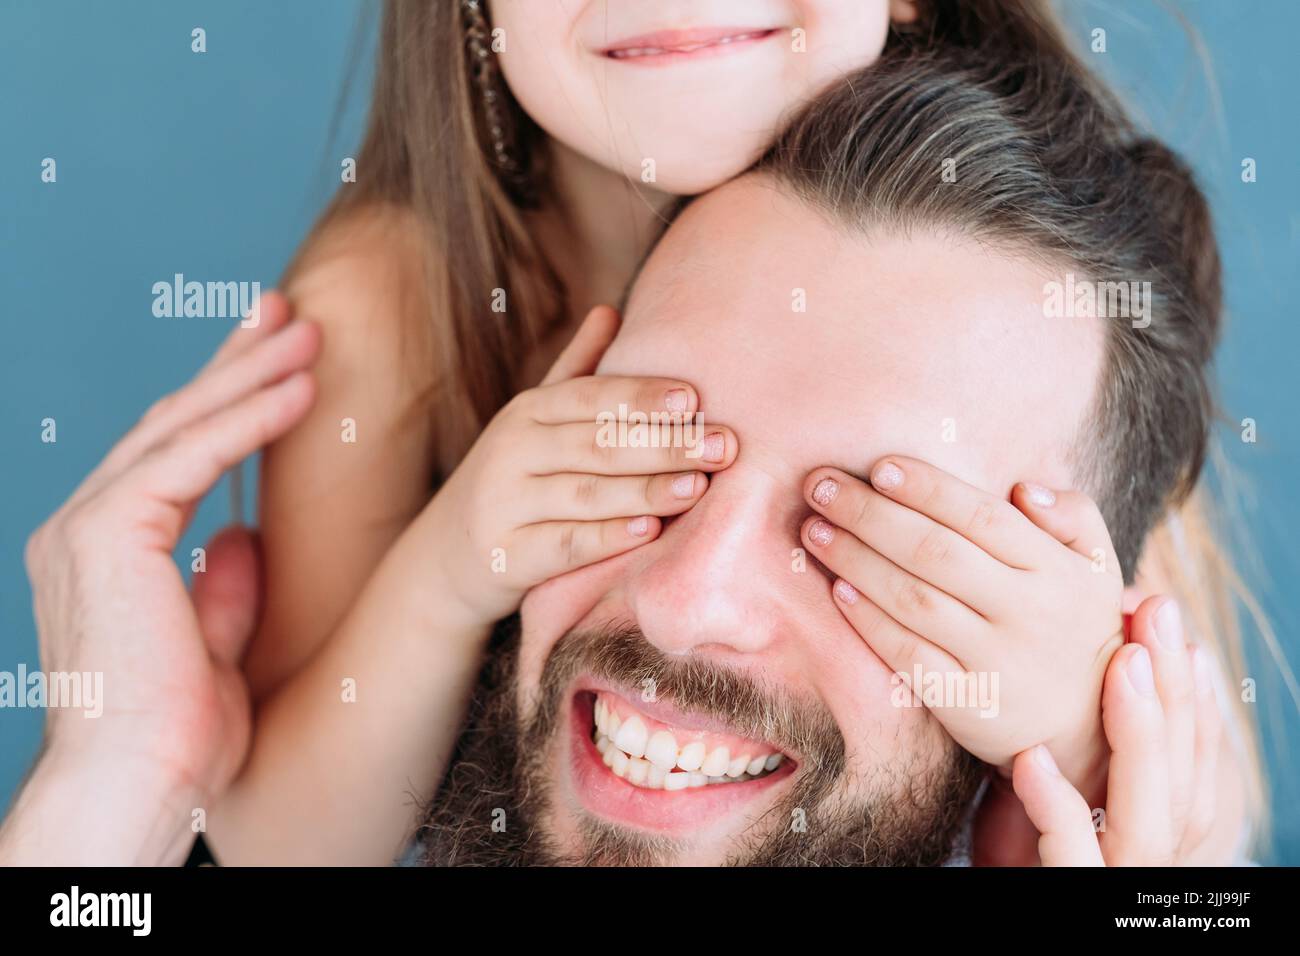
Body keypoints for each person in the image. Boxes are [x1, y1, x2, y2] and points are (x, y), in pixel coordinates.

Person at [1, 50, 1253, 867]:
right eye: (645, 452)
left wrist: (1105, 777)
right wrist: (111, 807)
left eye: (873, 531)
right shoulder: (399, 307)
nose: (684, 596)